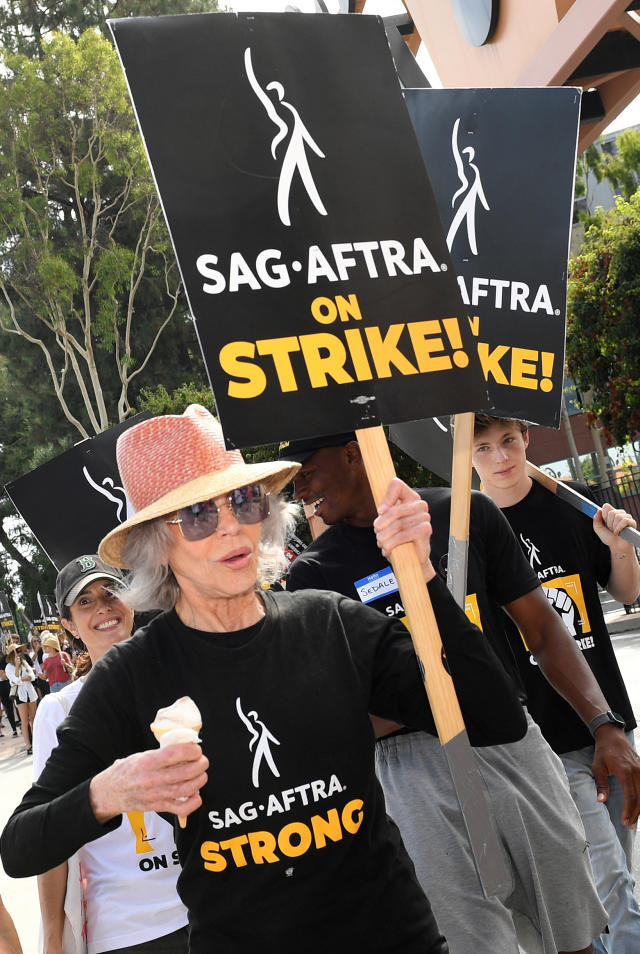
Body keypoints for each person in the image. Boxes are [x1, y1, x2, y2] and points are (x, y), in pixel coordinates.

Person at [1, 405, 531, 954]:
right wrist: (108, 791)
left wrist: (423, 575)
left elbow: (494, 716)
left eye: (245, 500)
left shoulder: (330, 623)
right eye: (201, 513)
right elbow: (20, 846)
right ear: (158, 543)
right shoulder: (132, 676)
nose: (232, 525)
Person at [281, 431, 624, 954]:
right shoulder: (313, 573)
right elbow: (346, 706)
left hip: (506, 741)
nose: (298, 486)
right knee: (476, 941)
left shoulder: (465, 512)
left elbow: (543, 629)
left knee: (570, 926)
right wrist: (435, 685)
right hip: (412, 770)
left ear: (354, 453)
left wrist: (603, 723)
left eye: (305, 468)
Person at [472, 413, 640, 954]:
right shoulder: (464, 531)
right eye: (482, 448)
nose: (500, 457)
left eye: (507, 441)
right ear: (465, 456)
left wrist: (617, 545)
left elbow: (628, 593)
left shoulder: (572, 504)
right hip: (537, 735)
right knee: (606, 877)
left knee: (619, 869)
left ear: (525, 437)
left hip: (606, 721)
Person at [32, 553, 189, 954]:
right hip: (127, 929)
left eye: (112, 591)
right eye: (84, 601)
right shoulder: (60, 710)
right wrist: (53, 937)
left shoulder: (184, 679)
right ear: (67, 624)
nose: (103, 606)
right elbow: (51, 831)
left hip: (209, 904)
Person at [5, 643, 37, 754]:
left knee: (34, 718)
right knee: (24, 721)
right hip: (20, 694)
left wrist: (23, 677)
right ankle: (29, 746)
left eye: (19, 650)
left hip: (31, 693)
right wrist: (18, 668)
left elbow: (32, 676)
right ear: (11, 655)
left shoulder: (24, 662)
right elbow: (15, 680)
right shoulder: (9, 667)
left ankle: (36, 743)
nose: (19, 653)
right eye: (17, 651)